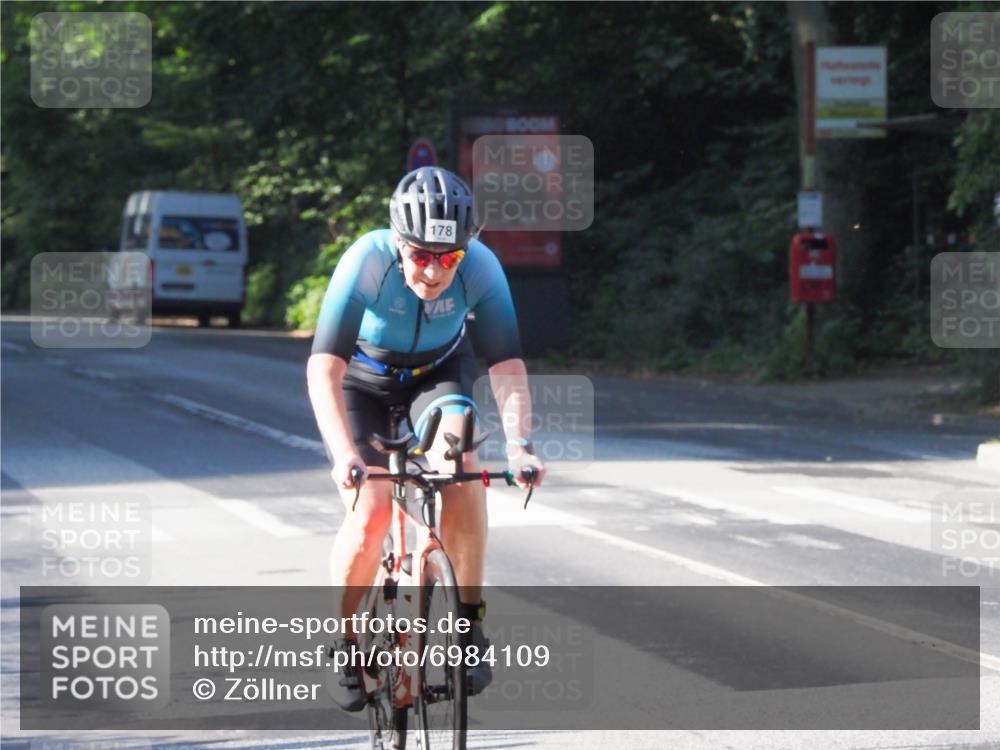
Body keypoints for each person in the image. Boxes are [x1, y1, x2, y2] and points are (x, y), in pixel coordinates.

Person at [307, 166, 546, 711]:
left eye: (449, 257)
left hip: (437, 375)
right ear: (398, 242)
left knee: (462, 471)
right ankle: (344, 641)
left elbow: (506, 365)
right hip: (364, 383)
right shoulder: (366, 261)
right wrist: (345, 455)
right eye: (420, 256)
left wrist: (520, 446)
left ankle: (469, 627)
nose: (434, 271)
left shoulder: (481, 267)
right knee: (369, 516)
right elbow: (323, 368)